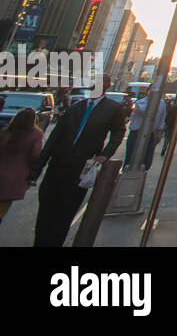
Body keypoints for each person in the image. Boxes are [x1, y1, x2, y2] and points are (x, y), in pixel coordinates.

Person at [29, 75, 126, 247]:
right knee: (45, 210)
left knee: (65, 213)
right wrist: (36, 171)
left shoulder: (113, 108)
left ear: (107, 87)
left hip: (79, 168)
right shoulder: (76, 107)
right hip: (57, 165)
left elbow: (118, 132)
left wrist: (105, 154)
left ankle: (55, 243)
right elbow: (54, 139)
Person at [0, 107, 43, 227]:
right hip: (16, 177)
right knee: (2, 207)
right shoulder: (35, 134)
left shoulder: (6, 131)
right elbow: (35, 155)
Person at [124, 87, 167, 171]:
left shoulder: (162, 103)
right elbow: (144, 112)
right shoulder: (141, 102)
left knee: (146, 161)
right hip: (136, 133)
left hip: (150, 134)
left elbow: (162, 118)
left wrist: (159, 131)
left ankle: (140, 176)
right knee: (130, 160)